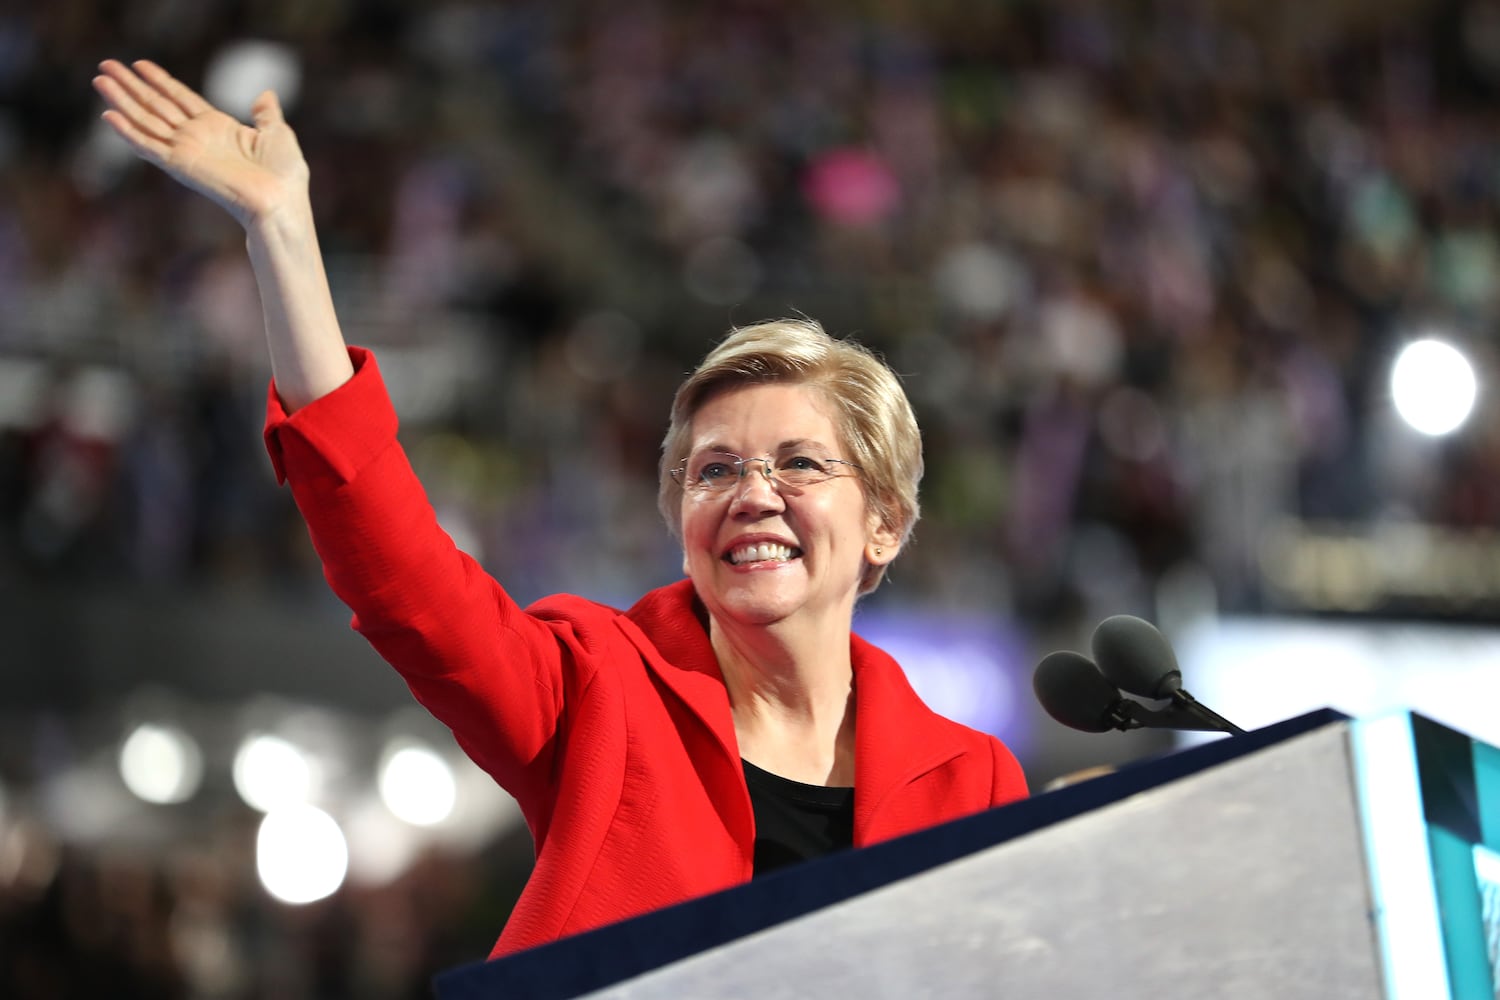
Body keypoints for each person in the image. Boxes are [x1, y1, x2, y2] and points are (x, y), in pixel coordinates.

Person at [91, 59, 1029, 959]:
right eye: (714, 471)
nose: (752, 495)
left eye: (799, 463)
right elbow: (406, 579)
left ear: (884, 523)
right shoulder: (600, 688)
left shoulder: (972, 781)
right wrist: (283, 231)